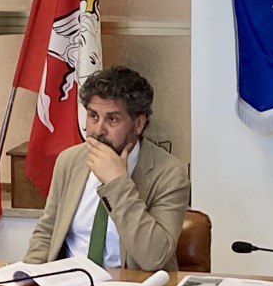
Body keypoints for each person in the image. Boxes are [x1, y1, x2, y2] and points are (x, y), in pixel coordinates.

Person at [24, 66, 190, 271]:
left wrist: (117, 183)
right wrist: (26, 277)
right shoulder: (70, 160)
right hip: (71, 282)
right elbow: (47, 231)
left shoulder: (169, 174)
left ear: (138, 124)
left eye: (112, 119)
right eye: (93, 116)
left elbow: (154, 258)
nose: (98, 130)